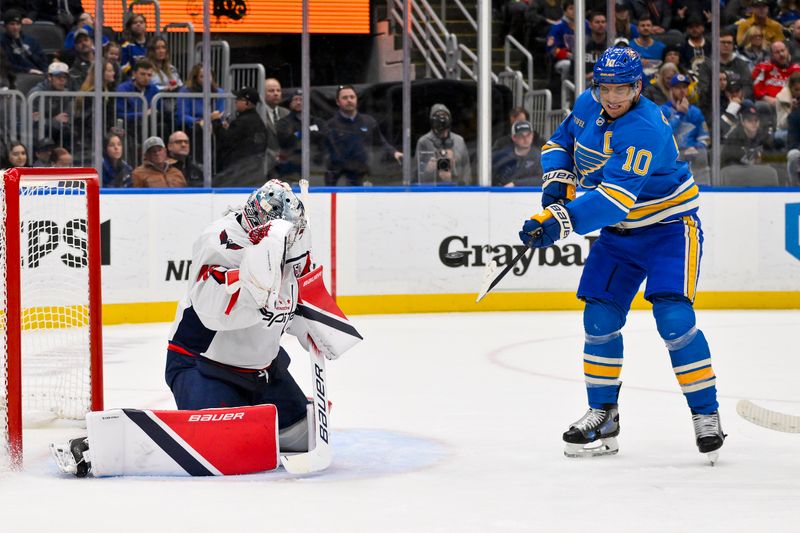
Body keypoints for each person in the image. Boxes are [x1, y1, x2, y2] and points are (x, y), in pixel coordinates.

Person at [51, 179, 360, 478]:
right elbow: (215, 314)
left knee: (302, 435)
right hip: (201, 366)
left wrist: (318, 322)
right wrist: (260, 284)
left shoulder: (291, 247)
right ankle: (99, 445)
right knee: (226, 447)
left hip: (264, 371)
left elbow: (296, 304)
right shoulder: (221, 240)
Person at [518, 47, 725, 462]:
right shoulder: (587, 104)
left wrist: (559, 220)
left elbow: (613, 200)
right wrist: (556, 183)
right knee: (599, 317)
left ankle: (706, 414)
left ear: (638, 87)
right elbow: (561, 140)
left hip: (669, 229)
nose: (612, 96)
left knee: (674, 319)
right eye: (605, 87)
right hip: (620, 235)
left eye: (622, 88)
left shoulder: (645, 126)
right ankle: (603, 415)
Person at [325, 85, 402, 186]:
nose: (349, 100)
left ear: (356, 99)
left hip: (362, 177)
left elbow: (380, 142)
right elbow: (324, 153)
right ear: (337, 102)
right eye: (345, 98)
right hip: (338, 180)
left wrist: (394, 153)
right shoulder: (330, 125)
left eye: (352, 97)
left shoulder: (368, 122)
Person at [212, 87, 269, 187]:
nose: (235, 102)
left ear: (247, 103)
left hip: (237, 172)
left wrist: (216, 122)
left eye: (238, 99)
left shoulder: (242, 122)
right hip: (254, 171)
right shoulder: (258, 121)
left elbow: (225, 140)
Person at [661, 73, 710, 179]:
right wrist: (680, 114)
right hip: (670, 158)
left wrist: (696, 147)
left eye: (684, 87)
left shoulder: (695, 112)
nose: (682, 90)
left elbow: (705, 138)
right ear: (671, 89)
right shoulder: (663, 110)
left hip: (694, 158)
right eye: (678, 87)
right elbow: (663, 136)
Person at [275, 89, 327, 182]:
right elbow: (286, 141)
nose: (299, 102)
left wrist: (300, 134)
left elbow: (324, 139)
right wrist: (308, 134)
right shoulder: (283, 123)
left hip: (315, 170)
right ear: (290, 103)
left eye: (302, 99)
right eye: (296, 99)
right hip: (290, 172)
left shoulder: (318, 122)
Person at [414, 104, 471, 184]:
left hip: (456, 189)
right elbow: (416, 174)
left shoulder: (459, 140)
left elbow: (466, 169)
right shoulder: (423, 142)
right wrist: (428, 170)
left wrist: (464, 188)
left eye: (444, 116)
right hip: (432, 190)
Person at [696, 28, 753, 103]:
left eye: (729, 42)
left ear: (733, 45)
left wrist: (740, 96)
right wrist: (724, 95)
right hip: (714, 102)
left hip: (738, 101)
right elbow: (703, 88)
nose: (726, 45)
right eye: (723, 42)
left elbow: (748, 86)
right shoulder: (707, 65)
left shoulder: (741, 64)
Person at [491, 120, 543, 187]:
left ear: (532, 135)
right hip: (504, 195)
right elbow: (495, 178)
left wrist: (515, 184)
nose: (526, 139)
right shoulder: (503, 157)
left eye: (528, 135)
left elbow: (543, 179)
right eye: (521, 135)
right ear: (514, 137)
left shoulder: (540, 157)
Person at [721, 101, 774, 167]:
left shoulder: (764, 135)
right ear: (743, 122)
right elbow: (727, 162)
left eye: (756, 120)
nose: (753, 123)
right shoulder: (734, 138)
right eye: (749, 120)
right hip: (736, 172)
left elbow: (770, 155)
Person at [0, 10, 47, 74]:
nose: (15, 27)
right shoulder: (1, 42)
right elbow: (4, 66)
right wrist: (27, 70)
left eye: (18, 24)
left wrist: (29, 53)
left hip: (37, 75)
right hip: (14, 77)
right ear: (5, 26)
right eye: (12, 24)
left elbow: (43, 63)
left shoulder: (32, 41)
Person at [264, 78, 289, 178]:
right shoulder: (258, 114)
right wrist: (275, 156)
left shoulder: (287, 113)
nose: (276, 93)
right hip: (265, 170)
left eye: (278, 90)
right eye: (271, 91)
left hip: (286, 169)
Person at [120, 13, 148, 78]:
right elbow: (124, 66)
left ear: (145, 25)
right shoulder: (125, 45)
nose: (138, 24)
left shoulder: (151, 43)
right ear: (130, 26)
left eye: (141, 22)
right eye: (135, 23)